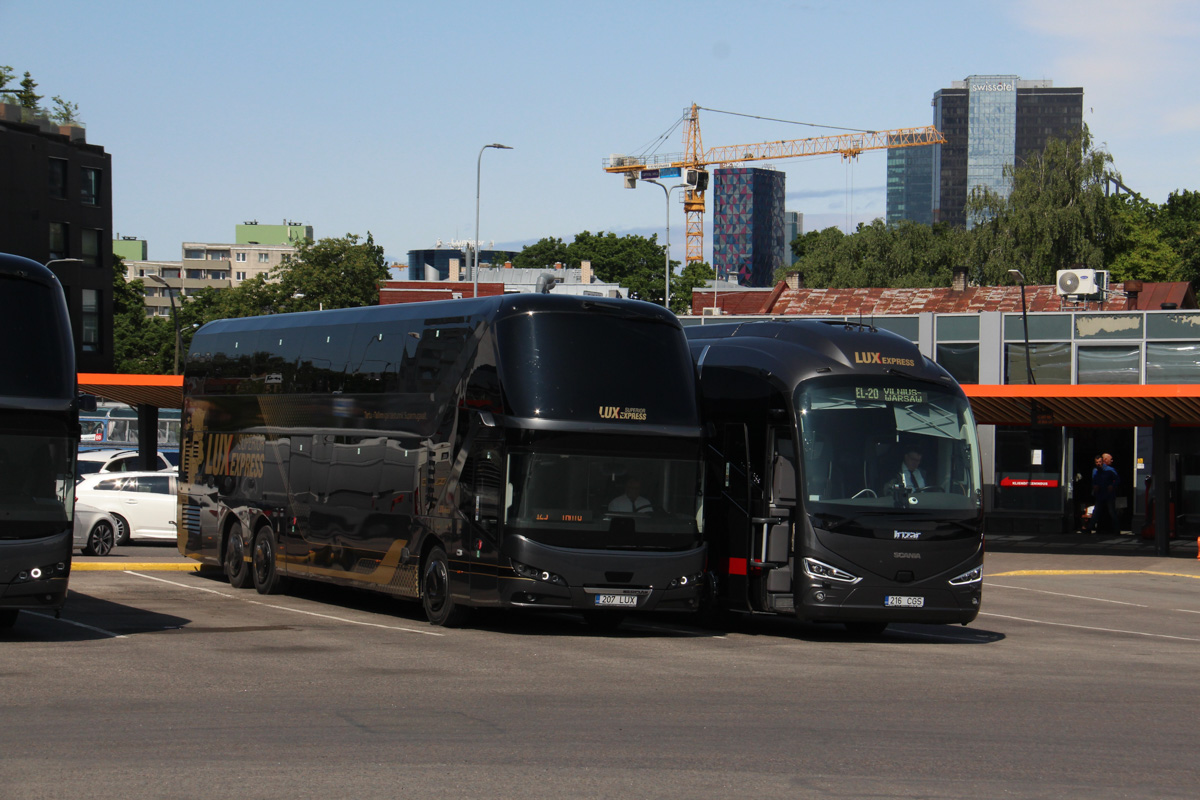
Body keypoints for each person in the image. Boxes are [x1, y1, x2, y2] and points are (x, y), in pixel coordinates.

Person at [1092, 453, 1119, 535]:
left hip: (1108, 494)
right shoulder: (1095, 470)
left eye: (1099, 462)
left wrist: (1112, 486)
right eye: (1096, 462)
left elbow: (1118, 480)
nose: (1098, 464)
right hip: (1100, 494)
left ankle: (1116, 530)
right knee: (1096, 511)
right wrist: (1094, 486)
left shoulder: (1110, 470)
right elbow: (1094, 480)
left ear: (1103, 461)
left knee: (1111, 512)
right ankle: (1091, 528)